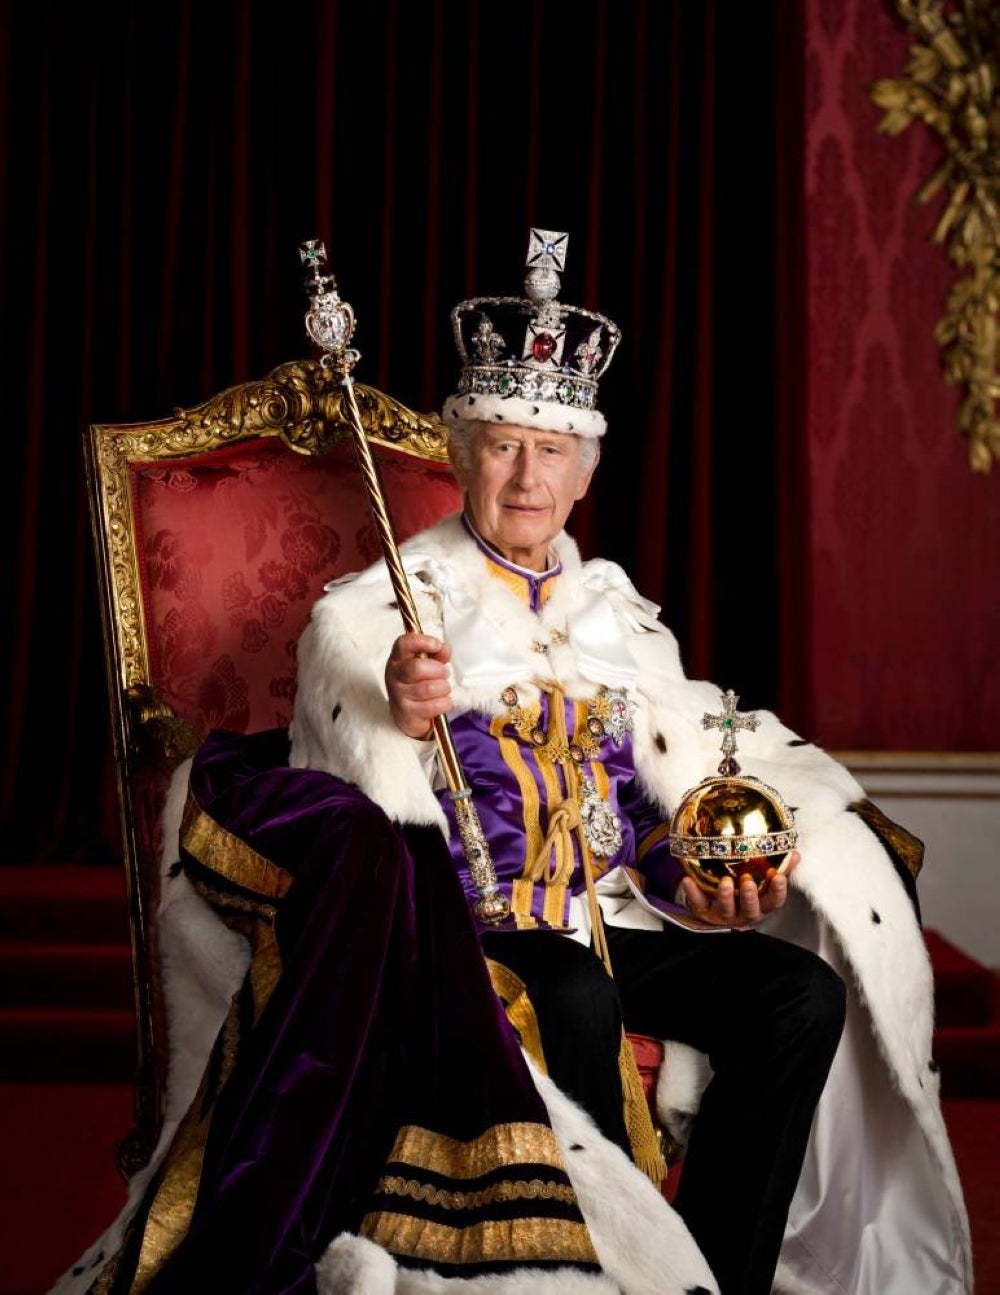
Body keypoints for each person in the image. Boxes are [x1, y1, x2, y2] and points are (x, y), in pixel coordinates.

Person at [52, 230, 971, 1295]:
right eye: (501, 444)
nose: (526, 473)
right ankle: (598, 1276)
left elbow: (645, 816)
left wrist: (711, 888)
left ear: (585, 470)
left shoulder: (619, 619)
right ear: (460, 452)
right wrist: (392, 705)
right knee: (574, 990)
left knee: (795, 992)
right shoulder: (377, 614)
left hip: (602, 916)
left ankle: (711, 1272)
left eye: (550, 448)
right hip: (462, 929)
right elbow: (333, 784)